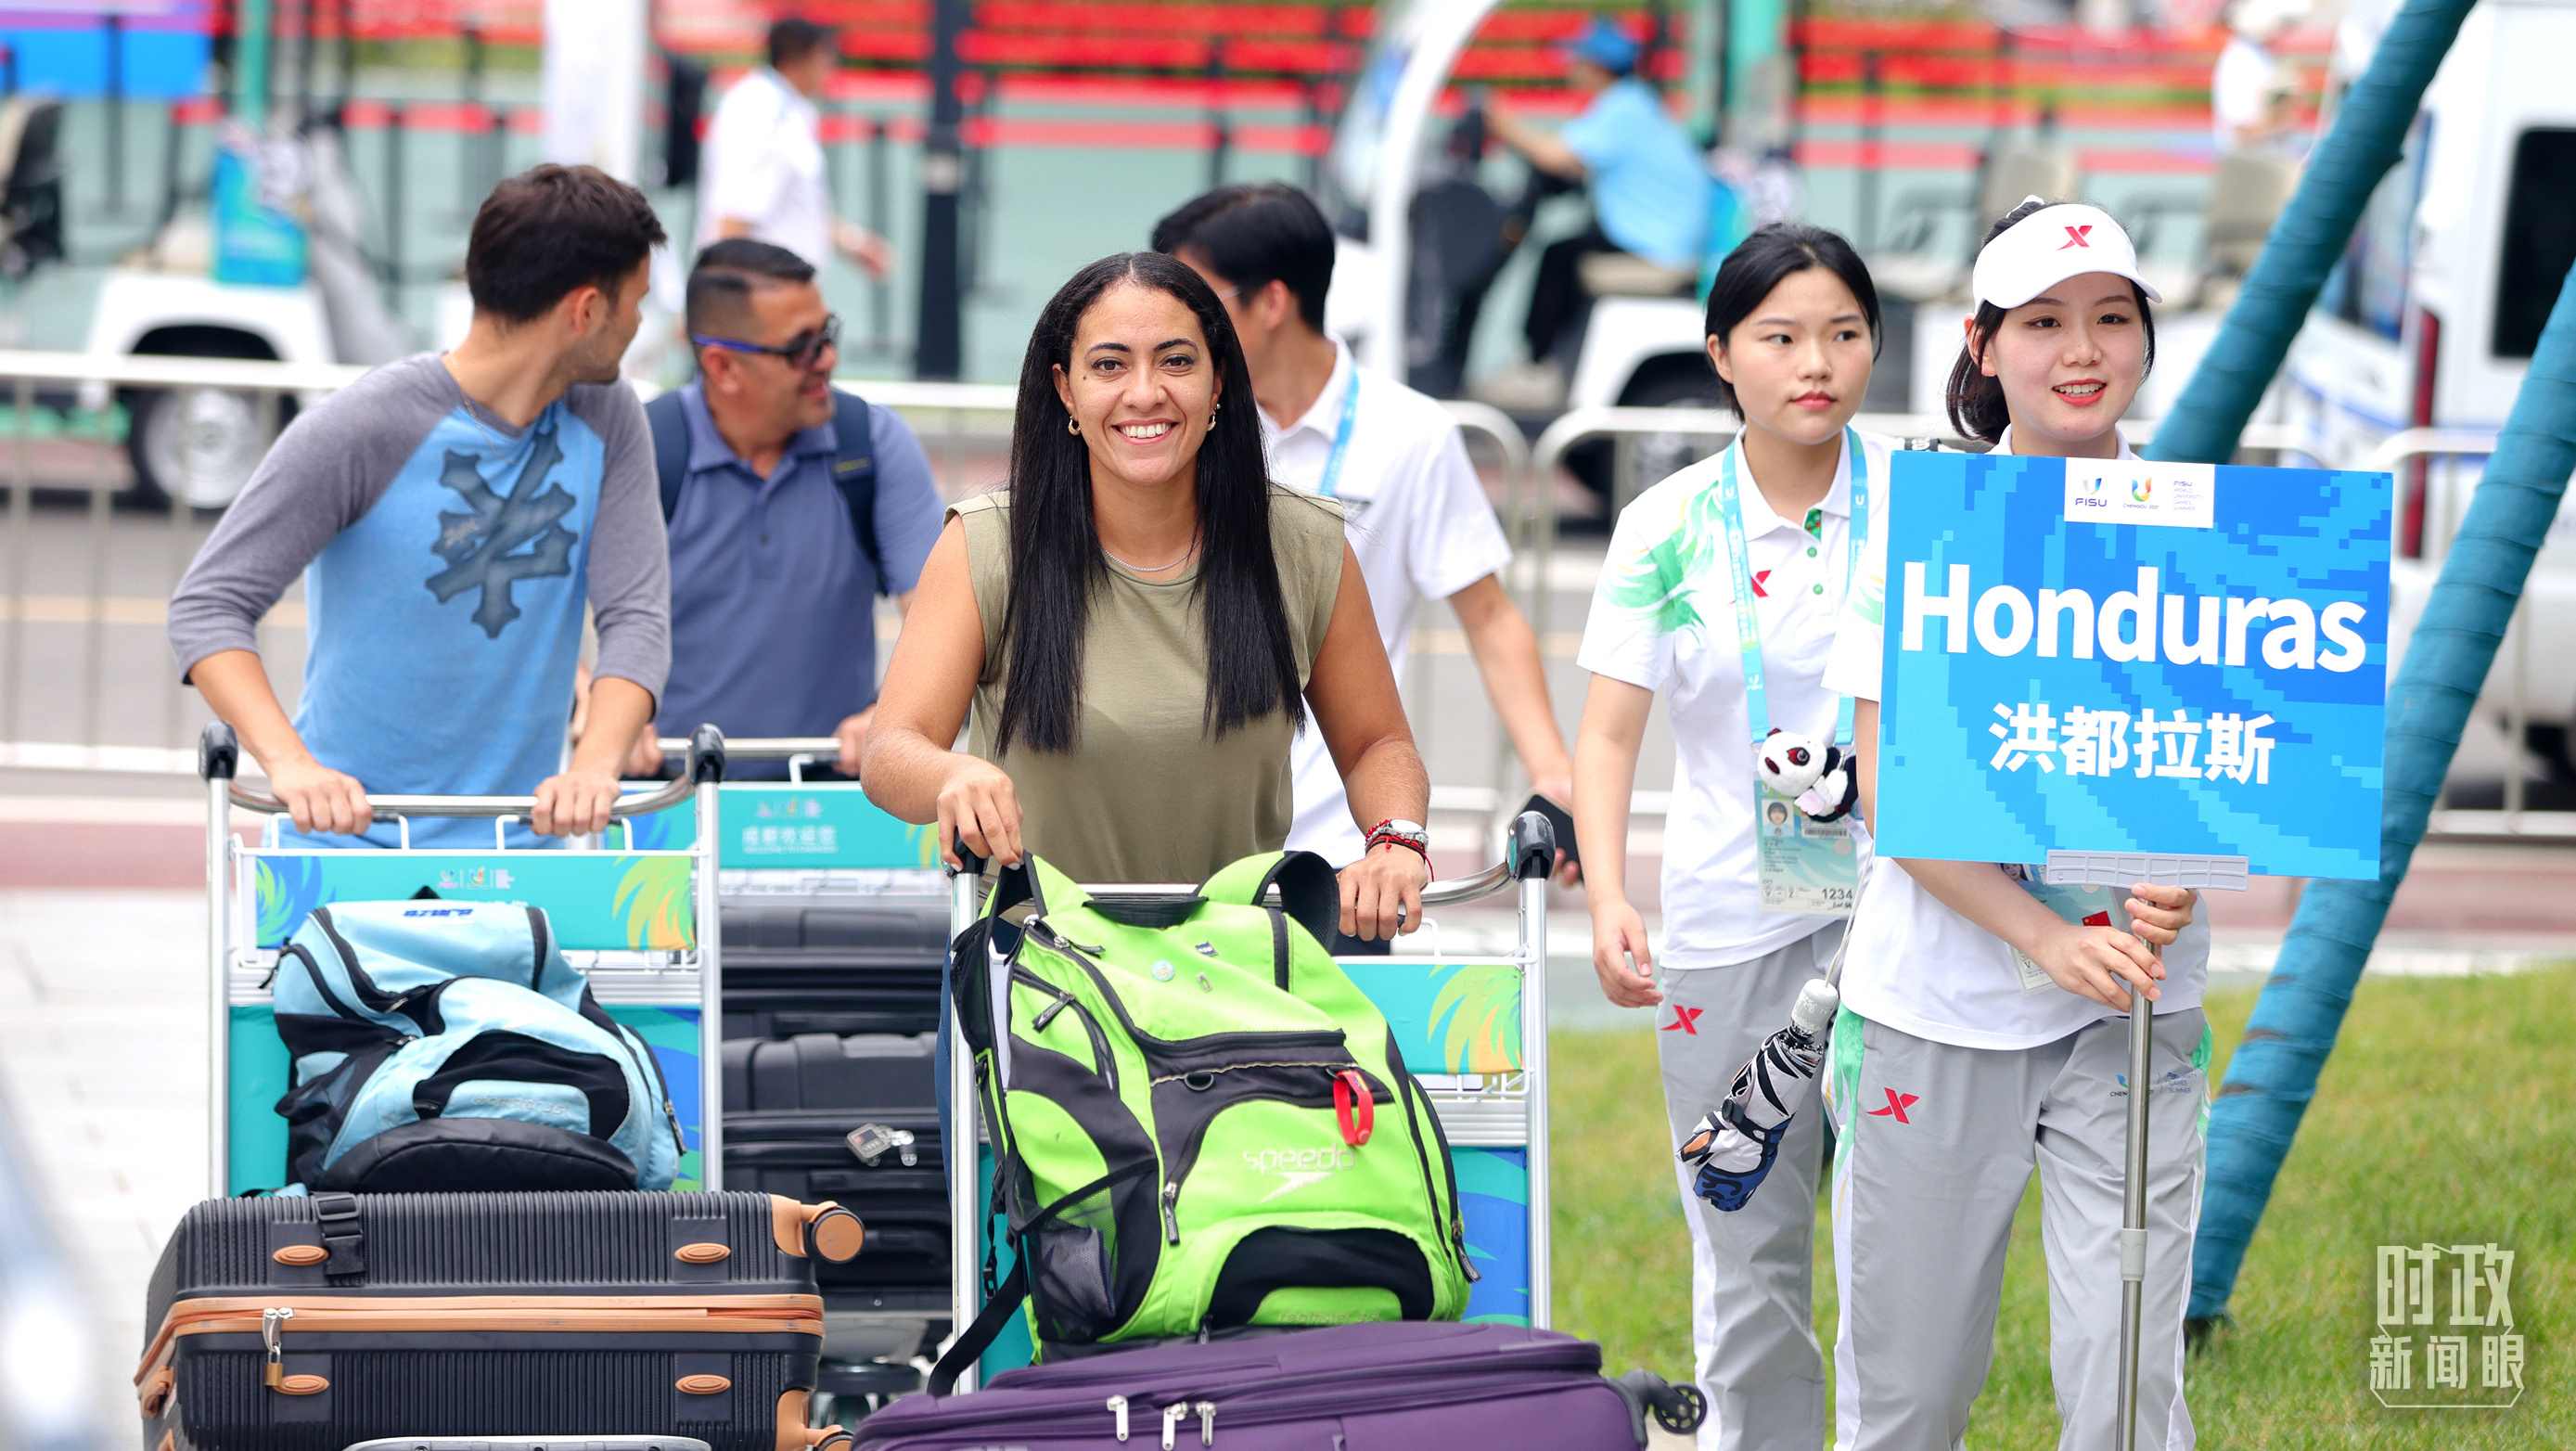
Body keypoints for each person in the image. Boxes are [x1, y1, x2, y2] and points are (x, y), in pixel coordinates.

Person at [1822, 197, 2208, 1449]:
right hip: (1939, 1009)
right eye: (2043, 323)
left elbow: (2224, 763)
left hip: (2134, 1010)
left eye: (2110, 318)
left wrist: (2184, 873)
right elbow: (1894, 790)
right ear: (1984, 347)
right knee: (1910, 1396)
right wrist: (2042, 937)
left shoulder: (2201, 534)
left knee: (2126, 1387)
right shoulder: (1927, 529)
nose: (2081, 351)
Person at [861, 250, 1433, 946]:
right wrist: (951, 774)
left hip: (1239, 981)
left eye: (1175, 361)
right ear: (1065, 389)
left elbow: (1377, 741)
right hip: (1044, 986)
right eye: (1108, 365)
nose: (1144, 393)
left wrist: (1396, 840)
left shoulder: (1304, 541)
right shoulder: (986, 543)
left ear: (1218, 381)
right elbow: (891, 752)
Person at [1572, 223, 1891, 1451]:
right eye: (1781, 336)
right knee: (1746, 1242)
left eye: (1845, 334)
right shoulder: (1663, 527)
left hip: (1916, 924)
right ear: (1719, 355)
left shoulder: (1923, 512)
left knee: (1893, 1252)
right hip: (1723, 930)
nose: (1816, 362)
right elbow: (1606, 740)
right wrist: (1610, 896)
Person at [167, 164, 672, 846]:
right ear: (584, 312)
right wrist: (292, 767)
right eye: (636, 301)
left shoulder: (609, 417)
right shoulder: (363, 426)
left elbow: (635, 616)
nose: (642, 320)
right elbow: (207, 605)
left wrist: (592, 768)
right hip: (343, 849)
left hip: (515, 854)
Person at [1149, 183, 1580, 938]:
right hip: (1185, 841)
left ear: (1271, 302)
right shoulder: (1177, 423)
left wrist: (1555, 782)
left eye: (1195, 297)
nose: (1167, 321)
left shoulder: (1408, 434)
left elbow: (1489, 620)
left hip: (1348, 856)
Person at [627, 238, 944, 778]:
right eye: (802, 347)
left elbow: (943, 622)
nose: (828, 358)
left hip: (827, 799)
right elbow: (542, 608)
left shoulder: (869, 443)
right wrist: (601, 709)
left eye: (828, 333)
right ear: (722, 366)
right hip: (665, 800)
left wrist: (890, 717)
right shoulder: (644, 450)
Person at [1482, 17, 1715, 396]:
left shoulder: (1622, 110)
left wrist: (1498, 120)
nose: (1571, 69)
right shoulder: (1632, 105)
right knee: (1568, 250)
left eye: (1577, 61)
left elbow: (1553, 155)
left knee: (1559, 257)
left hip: (1656, 250)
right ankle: (1552, 362)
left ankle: (1537, 365)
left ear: (1596, 67)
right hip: (1657, 241)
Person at [697, 16, 892, 279]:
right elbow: (736, 213)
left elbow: (798, 211)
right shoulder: (760, 109)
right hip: (757, 294)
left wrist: (854, 244)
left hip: (777, 294)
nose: (830, 69)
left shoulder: (790, 111)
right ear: (800, 59)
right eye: (824, 58)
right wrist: (722, 298)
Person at [2211, 0, 2308, 156]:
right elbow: (2242, 130)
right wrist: (2281, 113)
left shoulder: (2260, 55)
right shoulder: (2240, 59)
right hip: (2251, 164)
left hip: (2265, 159)